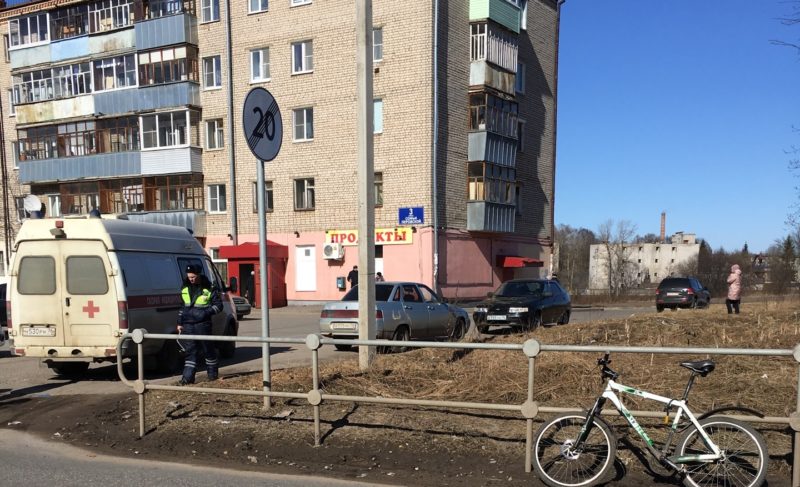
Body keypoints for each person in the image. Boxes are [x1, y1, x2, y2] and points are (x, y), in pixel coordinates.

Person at [177, 264, 223, 385]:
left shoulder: (209, 288)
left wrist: (205, 313)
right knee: (190, 352)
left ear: (198, 274)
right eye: (189, 276)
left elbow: (219, 306)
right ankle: (187, 379)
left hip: (203, 324)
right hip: (188, 325)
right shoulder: (185, 288)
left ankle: (212, 376)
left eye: (193, 276)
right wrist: (179, 322)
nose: (190, 279)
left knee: (208, 350)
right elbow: (182, 307)